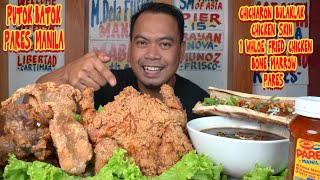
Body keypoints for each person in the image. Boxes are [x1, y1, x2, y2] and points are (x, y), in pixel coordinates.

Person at [36, 2, 209, 121]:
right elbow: (33, 104)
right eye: (142, 42)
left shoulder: (202, 105)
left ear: (181, 50)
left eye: (165, 44)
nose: (152, 54)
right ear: (130, 48)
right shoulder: (104, 86)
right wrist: (66, 74)